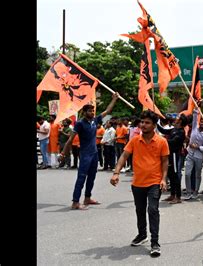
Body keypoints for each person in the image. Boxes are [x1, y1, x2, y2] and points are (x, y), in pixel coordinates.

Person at [110, 110, 169, 257]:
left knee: (153, 210)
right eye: (142, 122)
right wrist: (116, 172)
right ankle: (142, 235)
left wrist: (163, 179)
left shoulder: (162, 141)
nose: (143, 125)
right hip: (137, 183)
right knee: (140, 210)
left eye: (147, 122)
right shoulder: (135, 140)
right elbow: (124, 156)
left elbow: (165, 161)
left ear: (154, 125)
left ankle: (155, 243)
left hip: (155, 182)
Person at [60, 92, 119, 210]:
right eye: (90, 111)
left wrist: (114, 99)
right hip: (85, 154)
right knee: (81, 177)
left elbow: (107, 111)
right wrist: (63, 153)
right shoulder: (80, 123)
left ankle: (87, 198)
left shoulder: (95, 121)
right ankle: (75, 202)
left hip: (94, 154)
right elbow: (71, 139)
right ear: (84, 112)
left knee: (92, 177)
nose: (92, 113)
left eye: (93, 111)